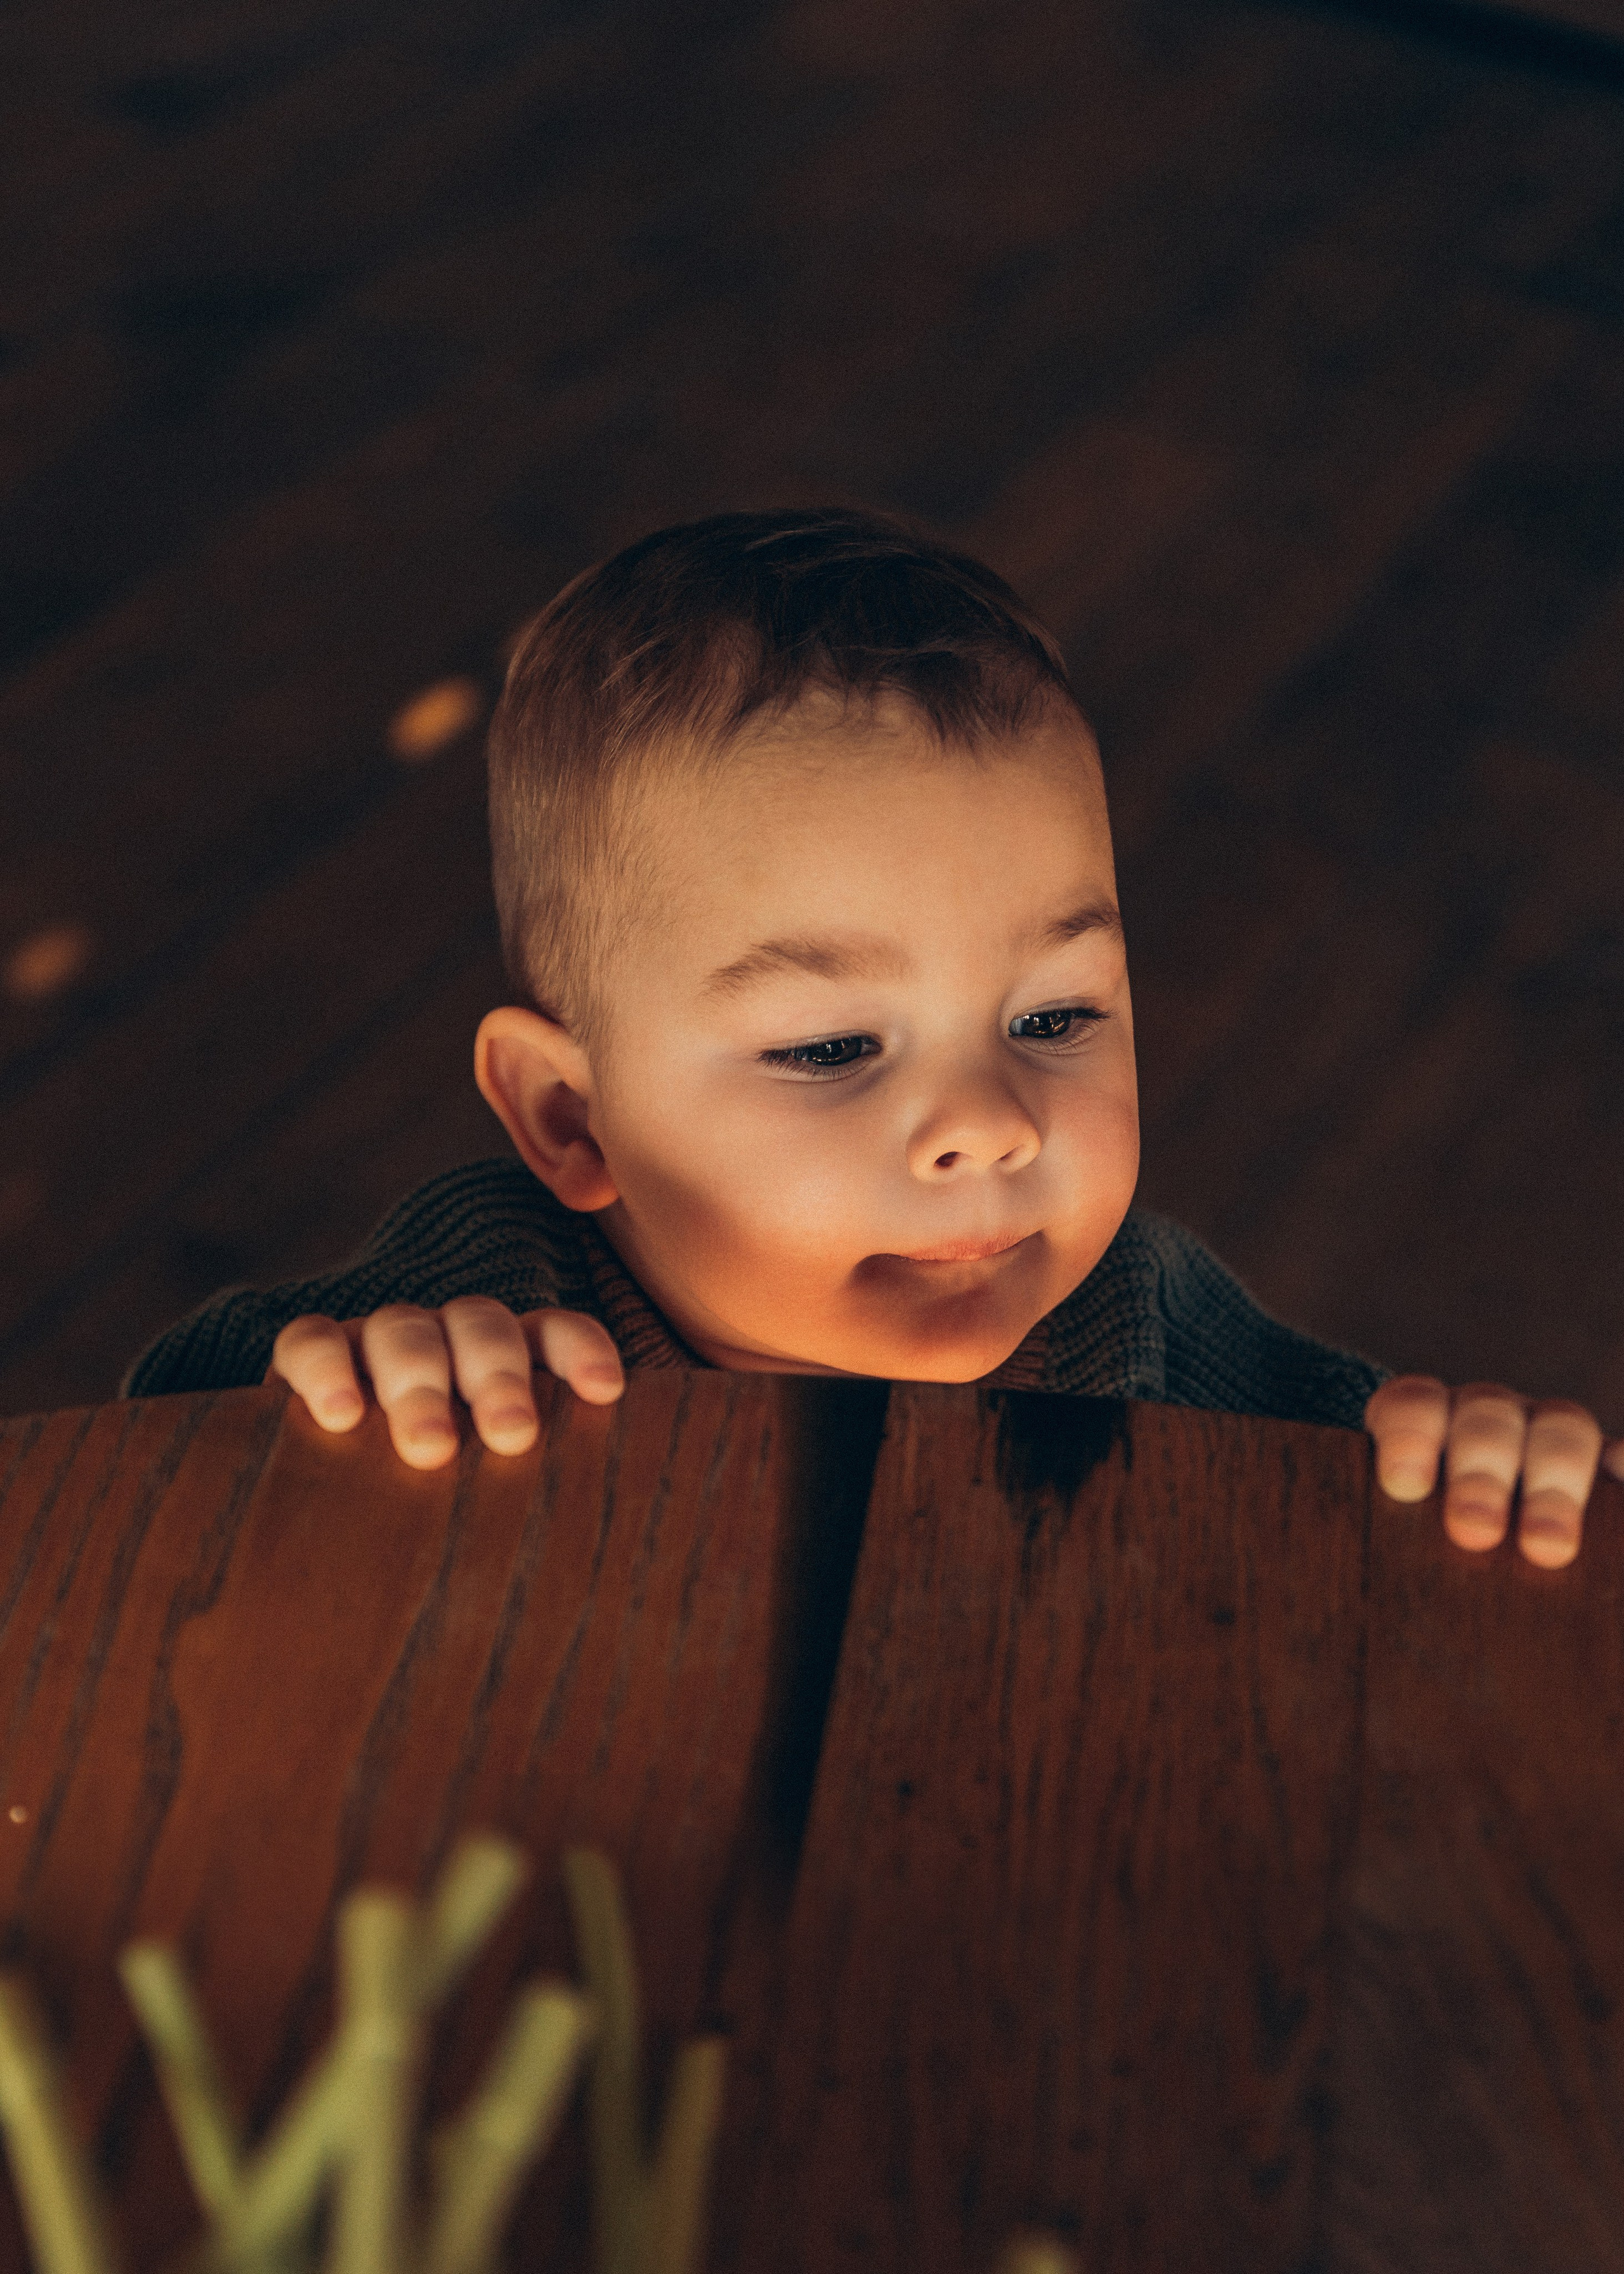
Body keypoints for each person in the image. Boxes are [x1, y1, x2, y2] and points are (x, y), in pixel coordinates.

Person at [122, 509, 1619, 1565]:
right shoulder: (488, 1297)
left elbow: (1355, 1499)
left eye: (1052, 1014)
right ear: (573, 1121)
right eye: (833, 1046)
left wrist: (1474, 1476)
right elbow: (147, 1474)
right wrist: (333, 1404)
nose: (990, 1120)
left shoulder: (1137, 1313)